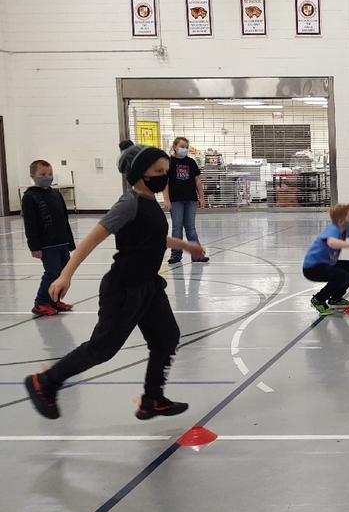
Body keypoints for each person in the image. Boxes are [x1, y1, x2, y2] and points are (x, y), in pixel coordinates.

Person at [23, 140, 206, 421]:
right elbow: (94, 238)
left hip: (149, 286)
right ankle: (45, 382)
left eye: (165, 170)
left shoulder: (149, 202)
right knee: (102, 349)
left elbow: (153, 237)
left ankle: (152, 399)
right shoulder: (129, 203)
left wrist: (185, 246)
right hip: (124, 289)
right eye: (158, 171)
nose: (164, 176)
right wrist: (66, 274)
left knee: (166, 337)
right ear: (141, 174)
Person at [22, 160, 77, 317]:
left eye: (50, 174)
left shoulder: (55, 194)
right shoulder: (30, 197)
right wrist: (34, 246)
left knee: (62, 273)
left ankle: (54, 300)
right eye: (43, 174)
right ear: (33, 176)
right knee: (51, 272)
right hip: (47, 244)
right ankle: (41, 302)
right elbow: (30, 224)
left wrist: (70, 242)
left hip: (62, 241)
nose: (47, 177)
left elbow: (64, 218)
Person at [165, 136, 209, 265]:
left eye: (186, 147)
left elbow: (197, 180)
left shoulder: (190, 162)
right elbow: (165, 183)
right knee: (177, 227)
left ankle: (197, 254)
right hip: (176, 200)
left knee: (190, 227)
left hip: (191, 199)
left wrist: (201, 197)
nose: (184, 149)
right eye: (182, 147)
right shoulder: (169, 162)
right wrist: (167, 199)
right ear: (175, 147)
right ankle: (176, 254)